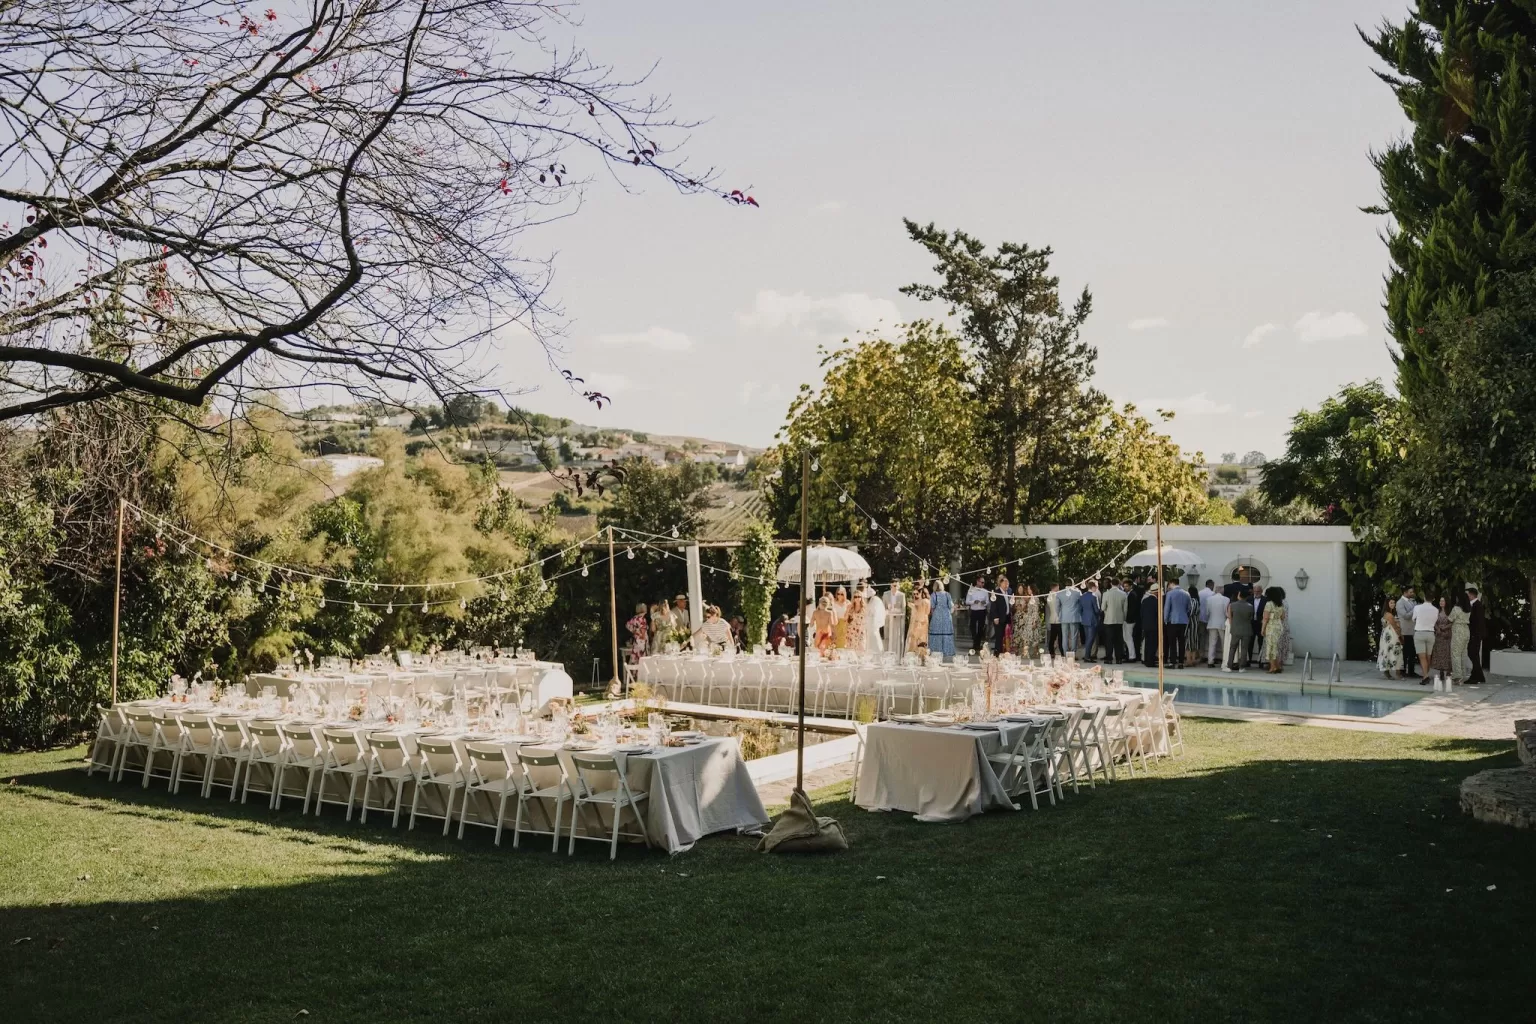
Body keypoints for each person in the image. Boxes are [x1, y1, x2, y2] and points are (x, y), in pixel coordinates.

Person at [1410, 591, 1439, 685]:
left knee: (1422, 657)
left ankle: (1425, 676)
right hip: (1430, 633)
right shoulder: (1435, 609)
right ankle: (1426, 675)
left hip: (1419, 632)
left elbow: (1413, 618)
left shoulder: (1417, 607)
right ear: (1433, 599)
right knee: (1428, 656)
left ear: (1424, 598)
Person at [1163, 581, 1192, 667]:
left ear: (1172, 584)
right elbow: (1189, 607)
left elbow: (1167, 608)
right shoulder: (1187, 594)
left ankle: (1172, 662)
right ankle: (1181, 662)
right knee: (1181, 642)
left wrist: (1165, 619)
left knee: (1172, 642)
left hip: (1172, 620)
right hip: (1183, 621)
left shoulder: (1170, 594)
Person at [1226, 587, 1254, 671]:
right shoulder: (1250, 606)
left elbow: (1230, 617)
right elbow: (1251, 618)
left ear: (1239, 595)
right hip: (1246, 629)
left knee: (1232, 648)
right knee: (1244, 649)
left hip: (1235, 629)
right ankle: (1242, 667)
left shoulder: (1232, 605)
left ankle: (1229, 666)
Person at [1101, 577, 1128, 663]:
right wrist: (1124, 617)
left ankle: (1109, 658)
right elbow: (1125, 609)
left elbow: (1102, 608)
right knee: (1119, 640)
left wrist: (1106, 612)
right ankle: (1119, 658)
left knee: (1109, 640)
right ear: (1119, 584)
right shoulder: (1124, 594)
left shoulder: (1106, 594)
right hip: (1119, 620)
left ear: (1111, 584)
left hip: (1108, 620)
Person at [1261, 586, 1288, 673]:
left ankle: (1272, 667)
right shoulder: (1281, 604)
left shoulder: (1269, 604)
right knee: (1276, 646)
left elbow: (1265, 618)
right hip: (1279, 626)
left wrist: (1263, 629)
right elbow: (1283, 617)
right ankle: (1277, 666)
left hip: (1271, 626)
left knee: (1270, 646)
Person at [1012, 584, 1043, 658]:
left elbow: (1035, 611)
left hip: (1032, 620)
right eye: (1028, 589)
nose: (1028, 590)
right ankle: (1029, 653)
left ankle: (1035, 653)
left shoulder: (1035, 598)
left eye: (1029, 589)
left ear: (1032, 589)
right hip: (1029, 619)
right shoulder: (1030, 598)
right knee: (1028, 636)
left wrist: (1034, 621)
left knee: (1033, 637)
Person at [1377, 597, 1404, 679]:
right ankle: (1397, 673)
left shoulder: (1388, 613)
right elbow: (1395, 627)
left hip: (1387, 636)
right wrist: (1400, 636)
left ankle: (1389, 672)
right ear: (1387, 604)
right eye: (1391, 603)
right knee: (1395, 652)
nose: (1393, 604)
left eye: (1394, 603)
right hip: (1392, 636)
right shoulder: (1389, 614)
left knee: (1389, 652)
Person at [927, 584, 956, 660]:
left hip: (937, 615)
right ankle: (948, 651)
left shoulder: (933, 595)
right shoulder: (947, 594)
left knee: (936, 633)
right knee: (947, 633)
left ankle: (936, 651)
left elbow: (932, 607)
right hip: (946, 615)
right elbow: (951, 606)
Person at [1396, 586, 1419, 679]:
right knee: (1405, 653)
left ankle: (1411, 671)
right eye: (1410, 592)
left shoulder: (1413, 601)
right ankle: (1402, 671)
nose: (1412, 593)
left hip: (1414, 630)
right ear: (1405, 592)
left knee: (1412, 652)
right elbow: (1405, 616)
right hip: (1405, 631)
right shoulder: (1400, 603)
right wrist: (1415, 609)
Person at [1449, 592, 1472, 684]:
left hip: (1458, 631)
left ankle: (1457, 676)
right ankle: (1463, 674)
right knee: (1463, 654)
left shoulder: (1456, 609)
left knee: (1455, 654)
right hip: (1466, 630)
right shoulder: (1468, 609)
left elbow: (1450, 619)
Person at [1204, 585, 1230, 668]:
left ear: (1215, 590)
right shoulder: (1226, 599)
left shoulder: (1209, 599)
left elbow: (1207, 612)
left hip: (1212, 623)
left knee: (1212, 643)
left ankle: (1210, 661)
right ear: (1222, 591)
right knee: (1224, 643)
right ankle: (1224, 661)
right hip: (1222, 623)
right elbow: (1226, 613)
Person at [1466, 586, 1487, 685]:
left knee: (1473, 654)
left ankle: (1475, 676)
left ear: (1471, 594)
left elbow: (1479, 621)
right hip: (1473, 634)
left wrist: (1477, 634)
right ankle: (1480, 676)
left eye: (1468, 594)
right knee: (1474, 655)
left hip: (1475, 634)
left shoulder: (1477, 605)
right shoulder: (1472, 605)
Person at [1431, 596, 1453, 686]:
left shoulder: (1450, 612)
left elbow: (1452, 622)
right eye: (1440, 601)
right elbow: (1434, 622)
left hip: (1447, 634)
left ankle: (1448, 671)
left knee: (1447, 652)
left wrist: (1445, 627)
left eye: (1443, 601)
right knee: (1439, 653)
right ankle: (1441, 672)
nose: (1441, 602)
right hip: (1439, 634)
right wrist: (1437, 629)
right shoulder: (1437, 611)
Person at [965, 576, 990, 654]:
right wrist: (973, 602)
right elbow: (967, 601)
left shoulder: (985, 591)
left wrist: (984, 603)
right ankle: (975, 641)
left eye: (983, 583)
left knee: (980, 628)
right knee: (972, 627)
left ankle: (977, 644)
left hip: (982, 611)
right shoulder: (971, 590)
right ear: (977, 582)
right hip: (974, 611)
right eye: (981, 582)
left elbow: (988, 602)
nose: (983, 584)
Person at [1059, 578, 1083, 654]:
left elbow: (1057, 606)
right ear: (1073, 584)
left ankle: (1065, 652)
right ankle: (1073, 653)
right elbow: (1081, 604)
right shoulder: (1077, 592)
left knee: (1064, 636)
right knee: (1074, 636)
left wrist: (1059, 614)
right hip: (1074, 616)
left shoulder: (1060, 593)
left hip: (1064, 617)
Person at [1078, 581, 1101, 662]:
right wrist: (1100, 612)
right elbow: (1096, 610)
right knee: (1090, 639)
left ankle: (1087, 655)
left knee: (1088, 638)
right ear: (1093, 587)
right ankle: (1087, 656)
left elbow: (1080, 609)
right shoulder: (1094, 597)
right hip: (1092, 619)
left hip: (1085, 619)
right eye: (1095, 587)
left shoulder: (1082, 596)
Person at [989, 576, 1012, 656]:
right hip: (999, 618)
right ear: (1001, 583)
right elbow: (993, 606)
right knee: (999, 636)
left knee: (1005, 636)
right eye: (1005, 583)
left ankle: (1003, 652)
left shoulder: (1008, 593)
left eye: (1008, 583)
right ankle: (997, 653)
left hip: (1007, 617)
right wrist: (995, 617)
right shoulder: (996, 592)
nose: (1007, 585)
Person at [1140, 584, 1161, 667]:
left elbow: (1141, 614)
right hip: (1154, 626)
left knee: (1147, 643)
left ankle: (1146, 659)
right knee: (1153, 644)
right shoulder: (1157, 602)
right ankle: (1151, 661)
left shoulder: (1145, 601)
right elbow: (1158, 615)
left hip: (1146, 625)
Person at [861, 581, 886, 653]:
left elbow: (877, 613)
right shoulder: (867, 601)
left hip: (873, 625)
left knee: (874, 638)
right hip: (867, 624)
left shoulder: (876, 600)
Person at [883, 584, 906, 655]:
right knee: (887, 638)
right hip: (888, 620)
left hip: (897, 620)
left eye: (897, 586)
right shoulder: (886, 594)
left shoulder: (902, 595)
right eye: (894, 585)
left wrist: (897, 611)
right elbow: (883, 607)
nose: (895, 587)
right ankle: (887, 656)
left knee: (897, 639)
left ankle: (898, 656)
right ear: (891, 586)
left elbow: (903, 608)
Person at [907, 585, 931, 653]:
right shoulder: (928, 601)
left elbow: (918, 612)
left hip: (918, 622)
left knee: (914, 641)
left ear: (922, 593)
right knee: (923, 642)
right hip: (925, 623)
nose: (917, 595)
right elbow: (927, 612)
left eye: (918, 593)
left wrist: (913, 606)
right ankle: (922, 658)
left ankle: (912, 657)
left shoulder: (921, 601)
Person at [1127, 578, 1145, 662]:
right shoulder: (1135, 593)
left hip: (1130, 620)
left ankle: (1132, 655)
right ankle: (1135, 654)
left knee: (1129, 638)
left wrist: (1128, 618)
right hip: (1136, 619)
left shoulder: (1132, 594)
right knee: (1134, 638)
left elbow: (1131, 609)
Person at [1197, 578, 1215, 662]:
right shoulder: (1212, 594)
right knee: (1212, 639)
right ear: (1211, 585)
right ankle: (1210, 656)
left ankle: (1201, 654)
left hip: (1200, 618)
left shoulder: (1199, 593)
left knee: (1201, 637)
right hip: (1210, 619)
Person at [1046, 583, 1064, 656]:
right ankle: (1062, 652)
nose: (1059, 589)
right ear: (1055, 588)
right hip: (1058, 619)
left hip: (1052, 619)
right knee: (1060, 637)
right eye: (1058, 588)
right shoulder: (1057, 596)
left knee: (1052, 637)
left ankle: (1052, 652)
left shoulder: (1048, 597)